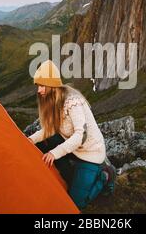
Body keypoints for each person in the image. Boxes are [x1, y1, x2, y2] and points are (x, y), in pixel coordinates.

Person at [27, 60, 115, 209]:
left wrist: (54, 153)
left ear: (51, 85)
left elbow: (80, 136)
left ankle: (105, 176)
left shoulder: (72, 101)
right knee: (42, 142)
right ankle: (70, 174)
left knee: (75, 204)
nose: (39, 90)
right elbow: (49, 129)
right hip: (73, 149)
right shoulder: (53, 100)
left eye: (42, 85)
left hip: (90, 153)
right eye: (38, 86)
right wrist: (30, 140)